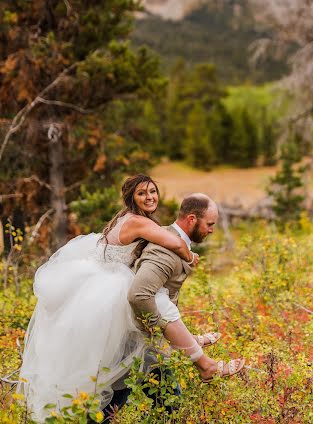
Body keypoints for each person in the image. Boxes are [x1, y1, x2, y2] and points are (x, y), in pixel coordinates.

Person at [17, 174, 220, 422]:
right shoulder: (137, 222)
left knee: (124, 372)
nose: (150, 197)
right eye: (142, 193)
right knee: (125, 368)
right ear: (131, 198)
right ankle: (195, 368)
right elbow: (173, 241)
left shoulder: (129, 219)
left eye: (153, 191)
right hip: (111, 297)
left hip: (101, 294)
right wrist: (189, 256)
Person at [129, 193, 245, 382]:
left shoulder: (169, 236)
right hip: (138, 336)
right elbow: (139, 295)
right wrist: (157, 329)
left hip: (144, 338)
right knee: (159, 398)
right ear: (192, 219)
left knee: (123, 397)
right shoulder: (164, 252)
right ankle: (207, 367)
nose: (212, 230)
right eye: (210, 224)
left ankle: (196, 350)